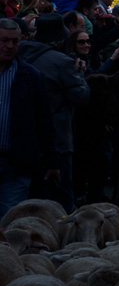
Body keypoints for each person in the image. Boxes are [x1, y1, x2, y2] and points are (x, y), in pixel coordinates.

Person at [18, 13, 89, 210]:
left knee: (28, 202)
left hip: (25, 140)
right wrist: (80, 75)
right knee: (61, 203)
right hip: (56, 139)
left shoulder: (19, 54)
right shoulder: (61, 62)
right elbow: (81, 98)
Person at [0, 19, 57, 217]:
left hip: (16, 162)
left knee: (9, 221)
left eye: (14, 41)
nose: (9, 46)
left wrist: (51, 159)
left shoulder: (30, 76)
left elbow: (43, 119)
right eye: (4, 41)